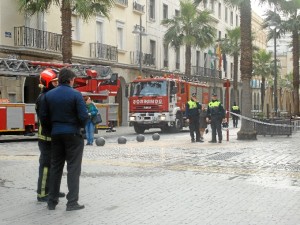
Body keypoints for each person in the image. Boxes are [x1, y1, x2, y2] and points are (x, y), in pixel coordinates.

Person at [40, 68, 89, 211]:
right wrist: (79, 127)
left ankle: (52, 201)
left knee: (55, 167)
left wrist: (51, 130)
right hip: (73, 135)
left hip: (56, 134)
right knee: (73, 168)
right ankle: (72, 202)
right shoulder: (76, 94)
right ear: (71, 80)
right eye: (74, 80)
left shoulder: (48, 96)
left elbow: (43, 117)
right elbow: (83, 116)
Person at [35, 68, 66, 202]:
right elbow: (45, 119)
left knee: (55, 165)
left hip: (53, 136)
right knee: (46, 166)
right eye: (54, 82)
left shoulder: (49, 96)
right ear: (47, 83)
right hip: (46, 138)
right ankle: (42, 193)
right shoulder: (43, 98)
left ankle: (53, 190)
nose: (57, 84)